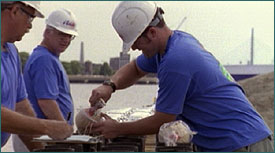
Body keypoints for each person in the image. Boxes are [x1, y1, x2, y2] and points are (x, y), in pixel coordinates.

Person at [89, 1, 273, 152]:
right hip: (240, 141)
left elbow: (163, 119)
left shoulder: (176, 60)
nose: (136, 49)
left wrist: (118, 129)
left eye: (136, 43)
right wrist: (110, 85)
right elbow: (136, 68)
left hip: (242, 143)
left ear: (152, 33)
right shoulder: (172, 44)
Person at [1, 1, 73, 151]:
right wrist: (47, 127)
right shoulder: (43, 59)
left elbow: (21, 106)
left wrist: (39, 149)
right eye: (30, 18)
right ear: (14, 11)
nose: (30, 26)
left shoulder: (12, 52)